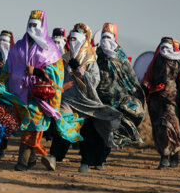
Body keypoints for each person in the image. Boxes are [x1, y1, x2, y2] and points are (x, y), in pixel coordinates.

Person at [0, 10, 83, 171]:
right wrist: (1, 84)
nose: (32, 28)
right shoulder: (18, 47)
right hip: (21, 95)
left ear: (43, 26)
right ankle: (34, 159)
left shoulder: (50, 50)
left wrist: (36, 71)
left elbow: (57, 74)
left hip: (41, 96)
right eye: (30, 24)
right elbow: (8, 68)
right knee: (28, 128)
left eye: (36, 25)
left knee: (34, 128)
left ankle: (23, 162)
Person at [42, 23, 122, 173]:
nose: (73, 43)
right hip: (67, 99)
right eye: (71, 39)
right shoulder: (64, 58)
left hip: (85, 101)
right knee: (63, 125)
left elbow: (94, 80)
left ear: (84, 41)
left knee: (88, 132)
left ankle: (86, 162)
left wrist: (80, 71)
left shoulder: (91, 59)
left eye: (76, 40)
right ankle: (53, 156)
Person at [143, 37, 180, 169]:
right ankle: (171, 157)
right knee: (159, 130)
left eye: (168, 47)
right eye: (163, 47)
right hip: (156, 103)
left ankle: (166, 159)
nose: (165, 50)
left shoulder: (178, 64)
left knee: (169, 127)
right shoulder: (155, 64)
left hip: (172, 103)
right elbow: (148, 78)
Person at [96, 23, 146, 147]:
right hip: (98, 98)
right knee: (96, 130)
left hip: (117, 101)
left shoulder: (120, 57)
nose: (105, 41)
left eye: (109, 37)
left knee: (111, 129)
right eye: (103, 37)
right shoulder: (96, 54)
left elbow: (129, 77)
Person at [0, 30, 19, 160]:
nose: (3, 43)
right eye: (0, 40)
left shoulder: (16, 59)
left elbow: (19, 77)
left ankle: (0, 150)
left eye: (6, 41)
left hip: (10, 97)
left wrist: (6, 70)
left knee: (7, 125)